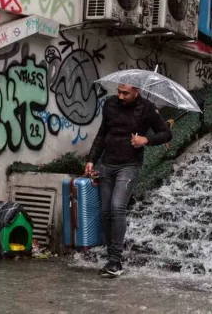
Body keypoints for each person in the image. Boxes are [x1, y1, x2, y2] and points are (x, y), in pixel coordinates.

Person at [85, 84, 172, 278]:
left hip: (129, 165)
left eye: (125, 93)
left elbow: (166, 133)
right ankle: (111, 258)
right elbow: (102, 133)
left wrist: (145, 140)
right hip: (107, 163)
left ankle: (116, 261)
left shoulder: (147, 108)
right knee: (106, 212)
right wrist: (91, 159)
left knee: (117, 207)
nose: (121, 96)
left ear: (136, 92)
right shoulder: (109, 104)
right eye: (119, 92)